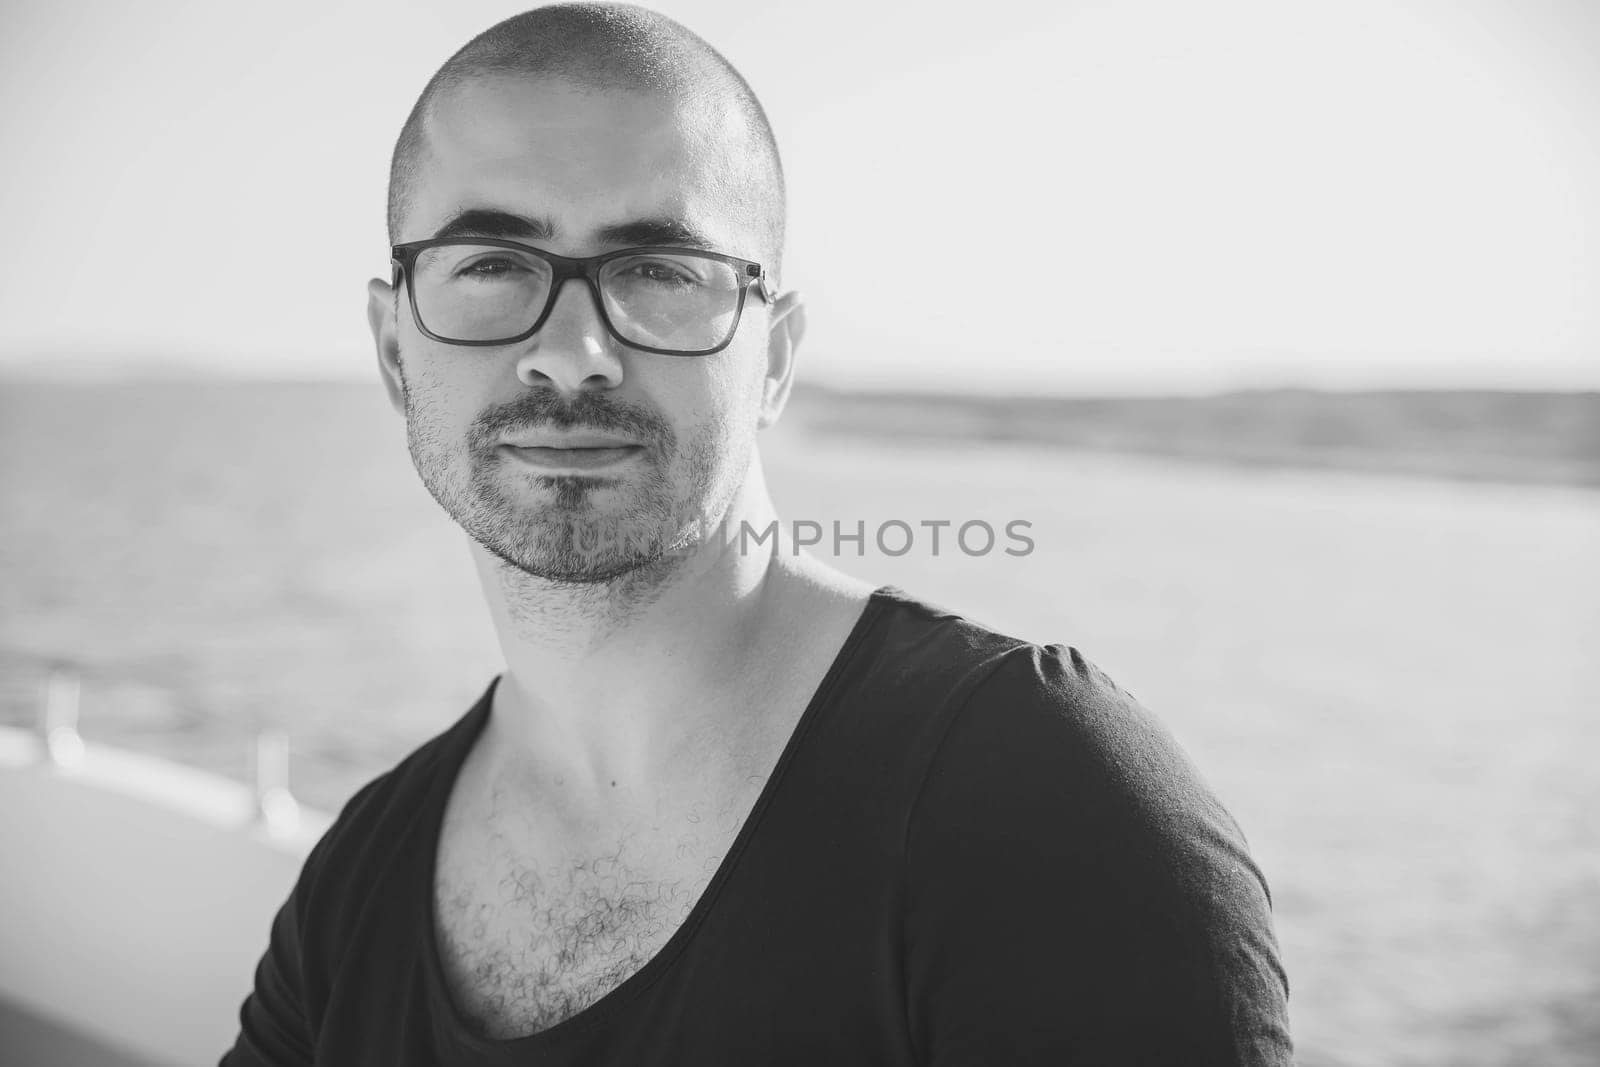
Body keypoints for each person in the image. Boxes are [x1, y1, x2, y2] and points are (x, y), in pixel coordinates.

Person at [223, 4, 1292, 1063]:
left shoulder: (1037, 798)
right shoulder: (359, 878)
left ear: (773, 358)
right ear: (393, 349)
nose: (572, 354)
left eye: (659, 272)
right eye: (493, 263)